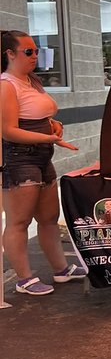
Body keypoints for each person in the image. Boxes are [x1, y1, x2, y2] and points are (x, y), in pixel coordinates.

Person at [1, 29, 84, 296]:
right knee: (19, 220)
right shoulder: (6, 85)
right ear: (10, 54)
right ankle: (24, 278)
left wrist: (53, 125)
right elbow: (8, 130)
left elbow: (39, 112)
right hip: (19, 157)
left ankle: (61, 269)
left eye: (36, 51)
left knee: (48, 217)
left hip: (41, 154)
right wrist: (49, 138)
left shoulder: (31, 80)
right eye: (28, 52)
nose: (35, 55)